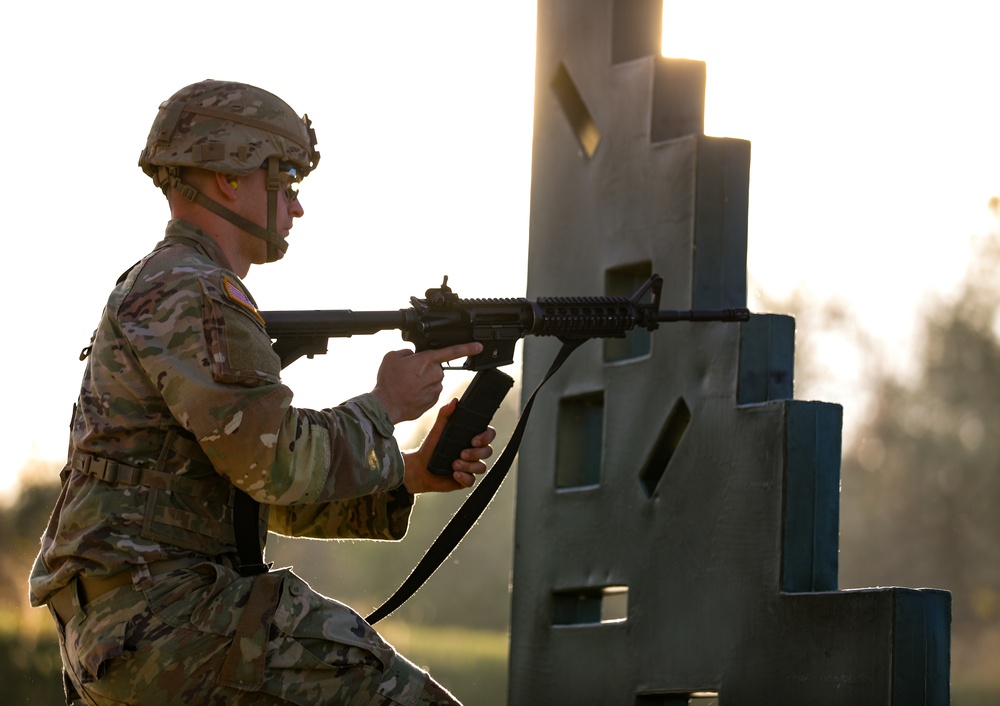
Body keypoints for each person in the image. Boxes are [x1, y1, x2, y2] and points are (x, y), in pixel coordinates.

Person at [29, 79, 496, 706]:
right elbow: (274, 466)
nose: (297, 207)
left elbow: (242, 494)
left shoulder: (173, 285)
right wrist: (386, 406)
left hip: (135, 628)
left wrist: (406, 472)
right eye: (289, 181)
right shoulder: (194, 292)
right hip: (169, 619)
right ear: (232, 177)